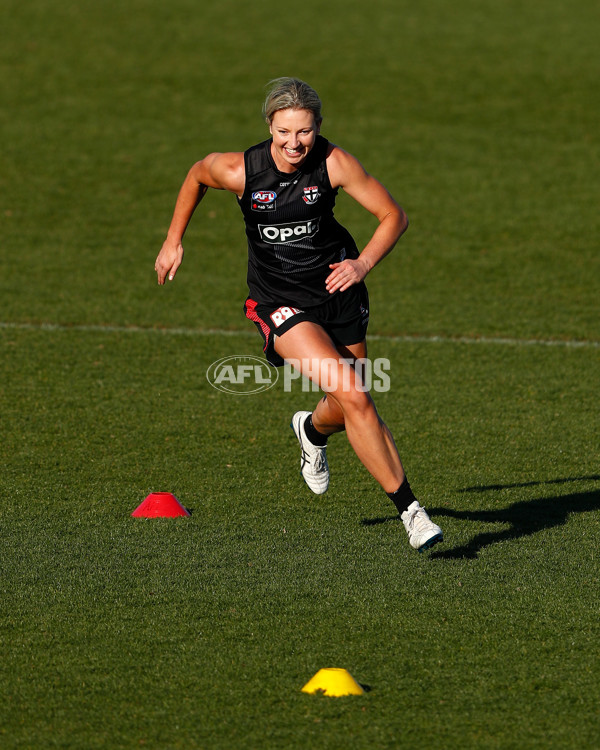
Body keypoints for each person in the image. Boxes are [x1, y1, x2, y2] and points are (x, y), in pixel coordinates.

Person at [155, 77, 443, 552]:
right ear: (270, 125)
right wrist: (173, 239)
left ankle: (310, 429)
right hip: (279, 301)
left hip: (339, 290)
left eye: (305, 132)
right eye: (284, 131)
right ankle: (412, 512)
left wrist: (362, 263)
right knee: (354, 394)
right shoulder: (239, 170)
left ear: (318, 128)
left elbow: (393, 216)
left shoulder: (335, 163)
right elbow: (195, 176)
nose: (294, 143)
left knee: (353, 401)